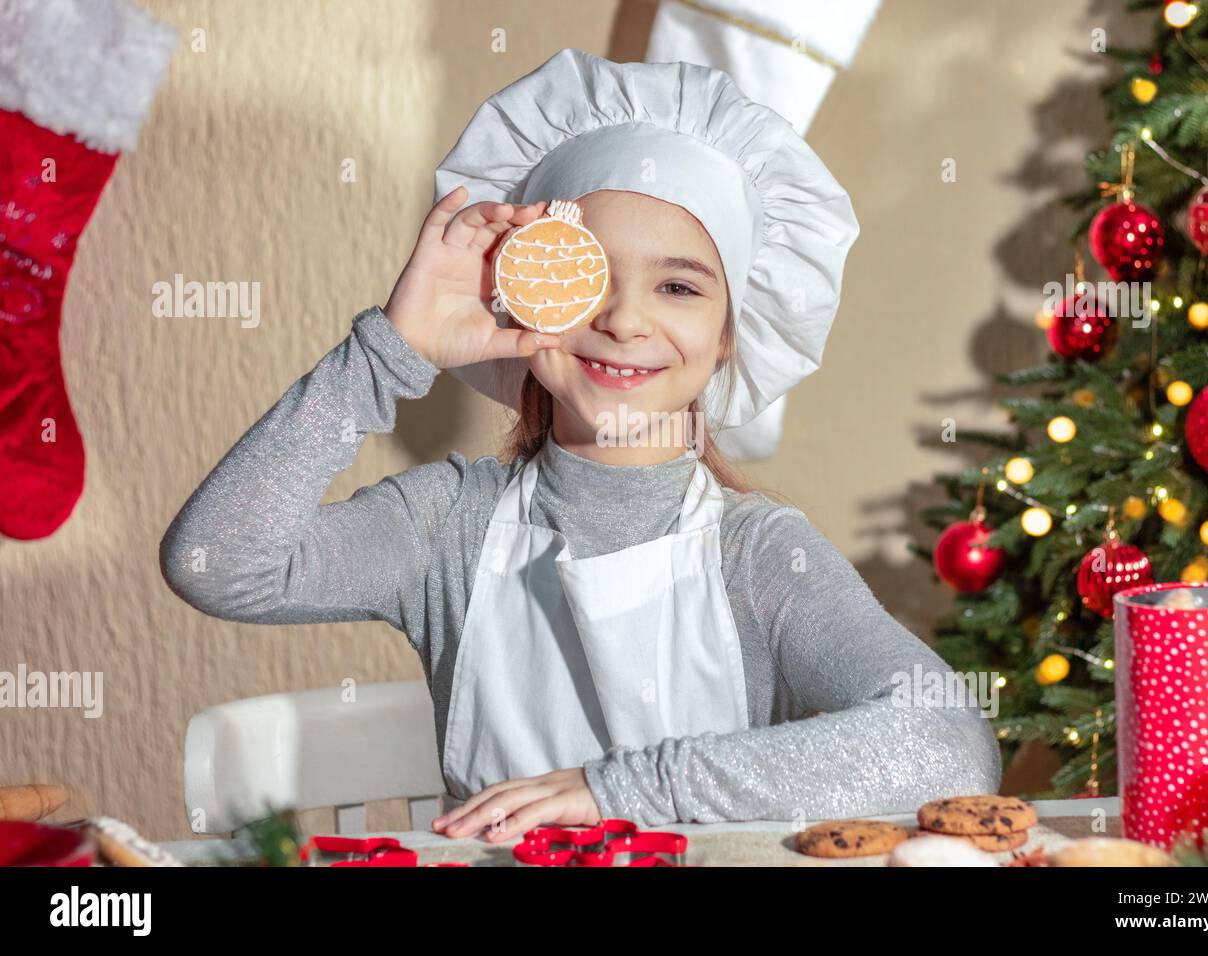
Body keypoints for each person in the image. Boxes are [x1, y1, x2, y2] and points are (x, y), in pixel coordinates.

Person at [160, 48, 1000, 842]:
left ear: (730, 336)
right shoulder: (447, 525)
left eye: (677, 286)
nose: (624, 321)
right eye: (587, 276)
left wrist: (624, 789)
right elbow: (215, 562)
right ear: (524, 296)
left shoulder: (760, 555)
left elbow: (949, 745)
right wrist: (389, 351)